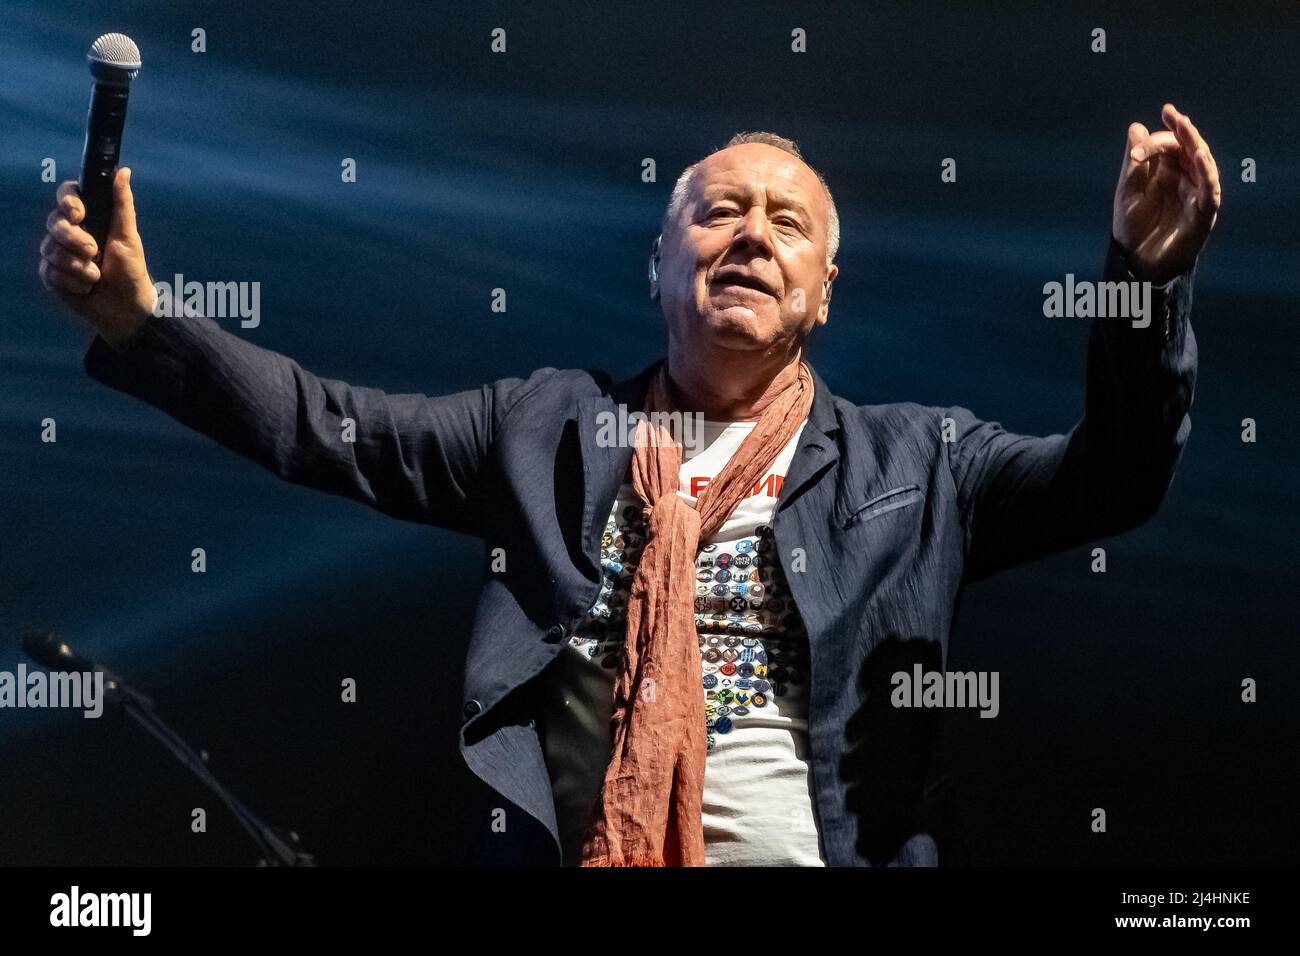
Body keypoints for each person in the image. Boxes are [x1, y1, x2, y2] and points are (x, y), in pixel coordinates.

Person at [38, 104, 1219, 866]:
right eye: (719, 212)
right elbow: (328, 428)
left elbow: (1113, 476)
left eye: (787, 224)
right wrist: (148, 324)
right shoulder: (545, 427)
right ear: (661, 264)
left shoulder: (922, 460)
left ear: (823, 291)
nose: (752, 234)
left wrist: (1140, 289)